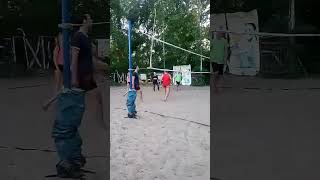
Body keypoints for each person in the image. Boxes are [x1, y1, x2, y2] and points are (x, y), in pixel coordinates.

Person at [52, 14, 96, 178]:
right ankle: (69, 164)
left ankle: (73, 161)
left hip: (81, 85)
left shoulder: (83, 37)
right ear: (84, 21)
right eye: (89, 18)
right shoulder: (77, 36)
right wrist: (75, 78)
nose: (92, 21)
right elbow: (73, 60)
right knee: (65, 128)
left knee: (69, 126)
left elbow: (87, 61)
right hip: (76, 85)